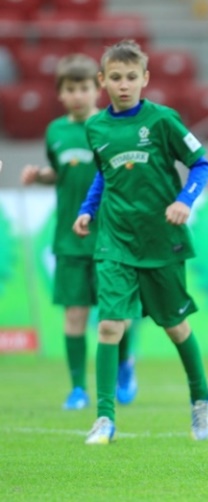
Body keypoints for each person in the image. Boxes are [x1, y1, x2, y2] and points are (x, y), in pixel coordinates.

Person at [72, 40, 208, 444]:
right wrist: (87, 209)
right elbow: (104, 175)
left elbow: (201, 163)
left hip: (161, 242)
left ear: (145, 79)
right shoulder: (95, 127)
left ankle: (201, 397)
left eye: (131, 77)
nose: (123, 84)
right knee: (109, 327)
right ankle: (104, 418)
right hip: (115, 242)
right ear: (102, 81)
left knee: (175, 327)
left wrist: (185, 199)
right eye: (115, 78)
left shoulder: (163, 121)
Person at [19, 54, 138, 411]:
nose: (78, 95)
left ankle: (123, 367)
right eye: (70, 89)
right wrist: (40, 176)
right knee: (74, 315)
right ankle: (77, 389)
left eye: (84, 87)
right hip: (69, 239)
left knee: (116, 313)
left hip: (111, 236)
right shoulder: (55, 131)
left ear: (97, 88)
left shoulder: (107, 127)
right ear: (60, 93)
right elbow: (62, 174)